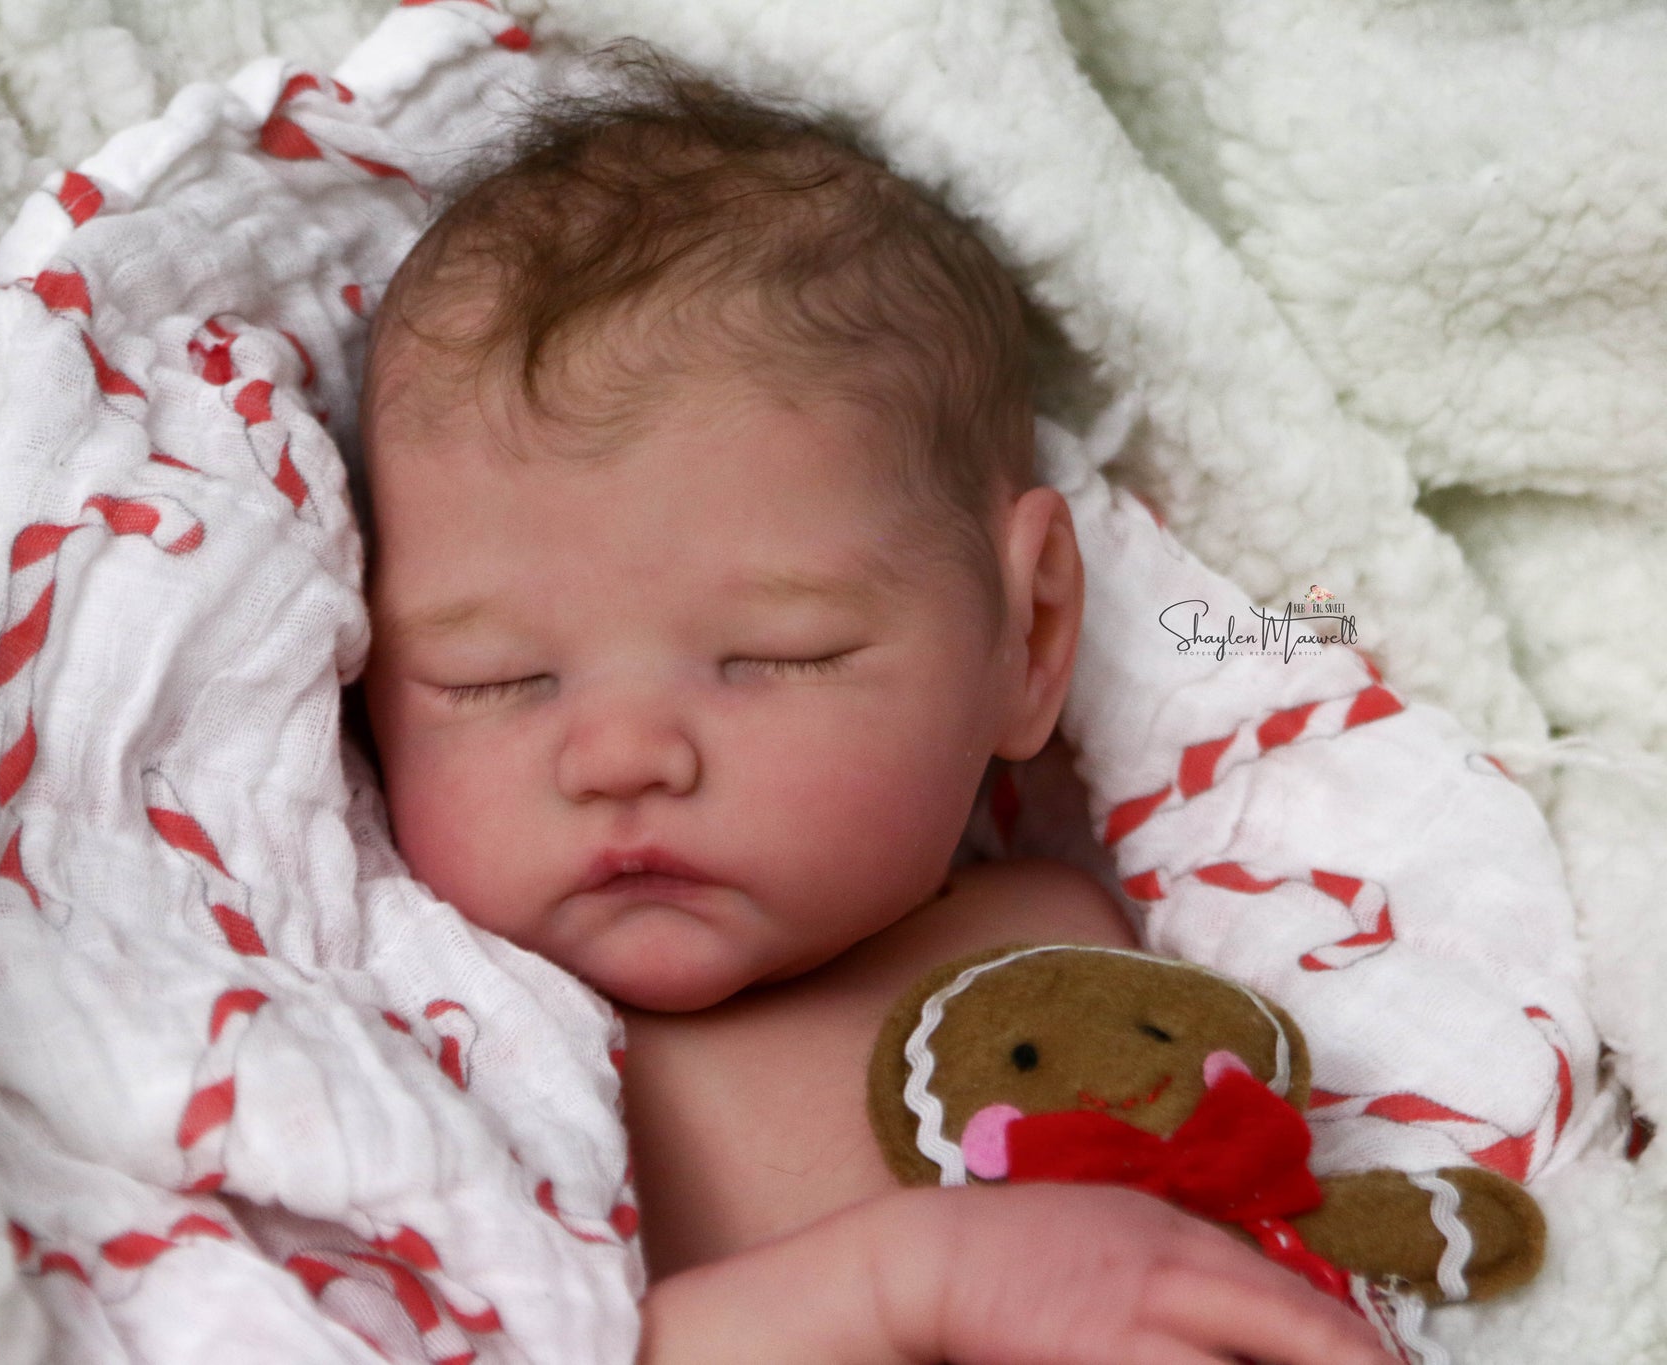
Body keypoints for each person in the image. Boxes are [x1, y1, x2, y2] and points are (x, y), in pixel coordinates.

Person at [353, 48, 1396, 1365]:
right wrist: (900, 1289)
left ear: (1030, 636)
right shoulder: (439, 1049)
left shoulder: (1091, 939)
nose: (621, 754)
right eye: (492, 677)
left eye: (776, 652)